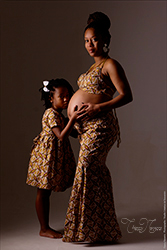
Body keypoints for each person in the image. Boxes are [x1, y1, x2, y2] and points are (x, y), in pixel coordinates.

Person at [62, 12, 133, 243]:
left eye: (94, 39)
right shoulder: (93, 68)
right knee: (96, 174)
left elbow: (126, 95)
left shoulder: (110, 64)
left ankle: (91, 230)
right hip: (86, 128)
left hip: (101, 126)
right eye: (86, 40)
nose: (90, 45)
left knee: (87, 168)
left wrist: (99, 108)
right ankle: (104, 231)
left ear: (105, 40)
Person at [26, 78, 79, 239]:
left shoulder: (60, 116)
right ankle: (44, 228)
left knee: (45, 192)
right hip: (46, 157)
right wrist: (73, 119)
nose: (66, 99)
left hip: (53, 157)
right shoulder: (51, 114)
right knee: (43, 192)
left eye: (68, 96)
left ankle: (45, 227)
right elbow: (62, 136)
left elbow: (74, 134)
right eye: (61, 96)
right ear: (51, 98)